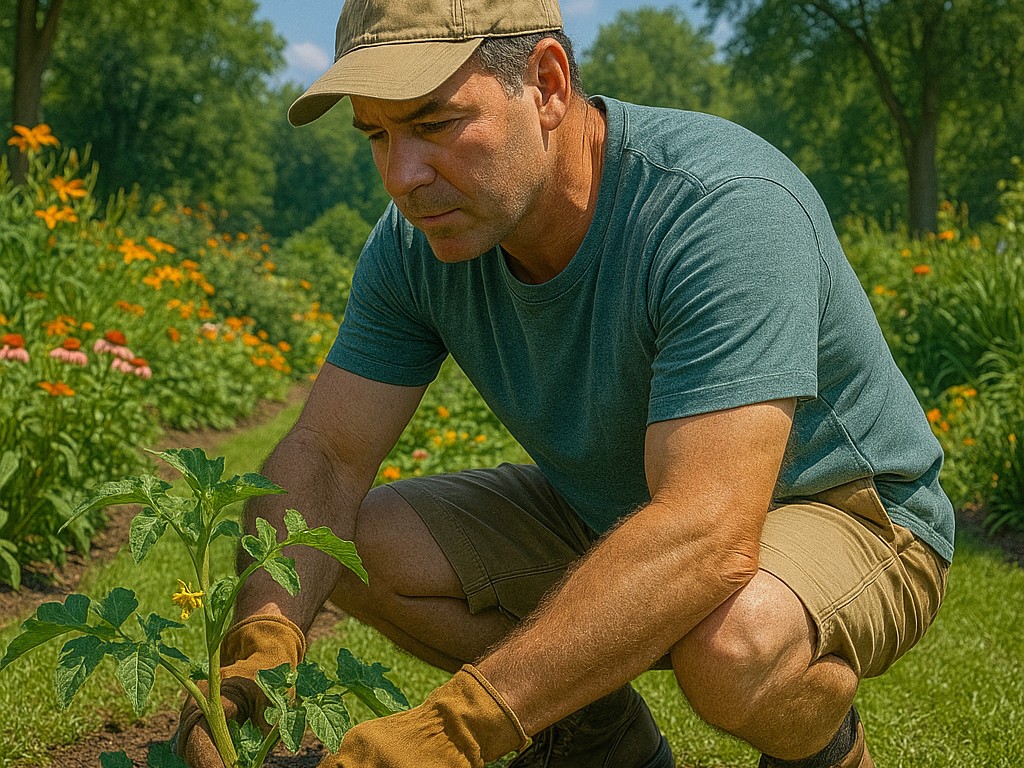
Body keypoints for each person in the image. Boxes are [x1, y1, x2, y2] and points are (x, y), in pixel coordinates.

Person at [176, 0, 955, 766]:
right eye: (377, 134)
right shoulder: (420, 242)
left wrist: (458, 730)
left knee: (731, 642)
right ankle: (596, 740)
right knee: (343, 544)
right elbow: (326, 455)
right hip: (621, 509)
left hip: (845, 509)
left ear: (547, 84)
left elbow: (707, 534)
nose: (403, 177)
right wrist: (261, 644)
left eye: (435, 123)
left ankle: (824, 751)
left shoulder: (719, 209)